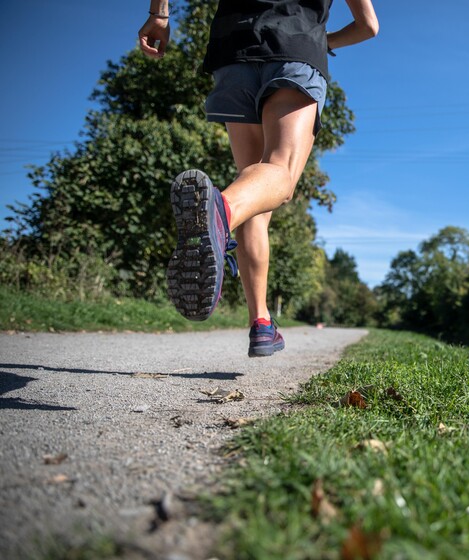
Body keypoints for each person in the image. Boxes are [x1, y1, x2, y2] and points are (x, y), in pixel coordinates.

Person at [138, 0, 378, 357]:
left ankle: (261, 322)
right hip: (296, 49)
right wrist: (321, 41)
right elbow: (368, 25)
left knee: (253, 189)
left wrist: (159, 15)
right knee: (278, 173)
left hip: (234, 51)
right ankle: (220, 214)